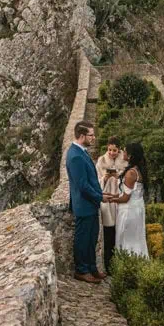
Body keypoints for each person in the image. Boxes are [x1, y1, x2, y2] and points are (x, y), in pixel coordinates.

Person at [65, 120, 106, 283]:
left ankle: (92, 268)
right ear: (82, 136)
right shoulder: (75, 156)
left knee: (91, 238)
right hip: (84, 205)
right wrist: (100, 197)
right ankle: (81, 270)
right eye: (91, 135)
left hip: (90, 204)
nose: (94, 138)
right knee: (83, 239)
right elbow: (82, 185)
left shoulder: (81, 151)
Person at [107, 141, 149, 258]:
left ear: (130, 155)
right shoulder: (138, 170)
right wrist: (112, 195)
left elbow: (125, 198)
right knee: (136, 239)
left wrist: (110, 199)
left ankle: (127, 263)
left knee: (126, 239)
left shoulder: (131, 173)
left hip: (128, 211)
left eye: (124, 151)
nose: (122, 153)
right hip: (137, 208)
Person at [95, 136, 127, 273]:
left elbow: (128, 182)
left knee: (121, 232)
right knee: (108, 233)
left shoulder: (125, 162)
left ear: (119, 149)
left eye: (114, 150)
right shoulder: (101, 161)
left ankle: (122, 263)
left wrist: (118, 177)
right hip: (107, 201)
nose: (112, 153)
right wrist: (104, 178)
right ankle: (108, 265)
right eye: (109, 150)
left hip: (120, 200)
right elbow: (96, 180)